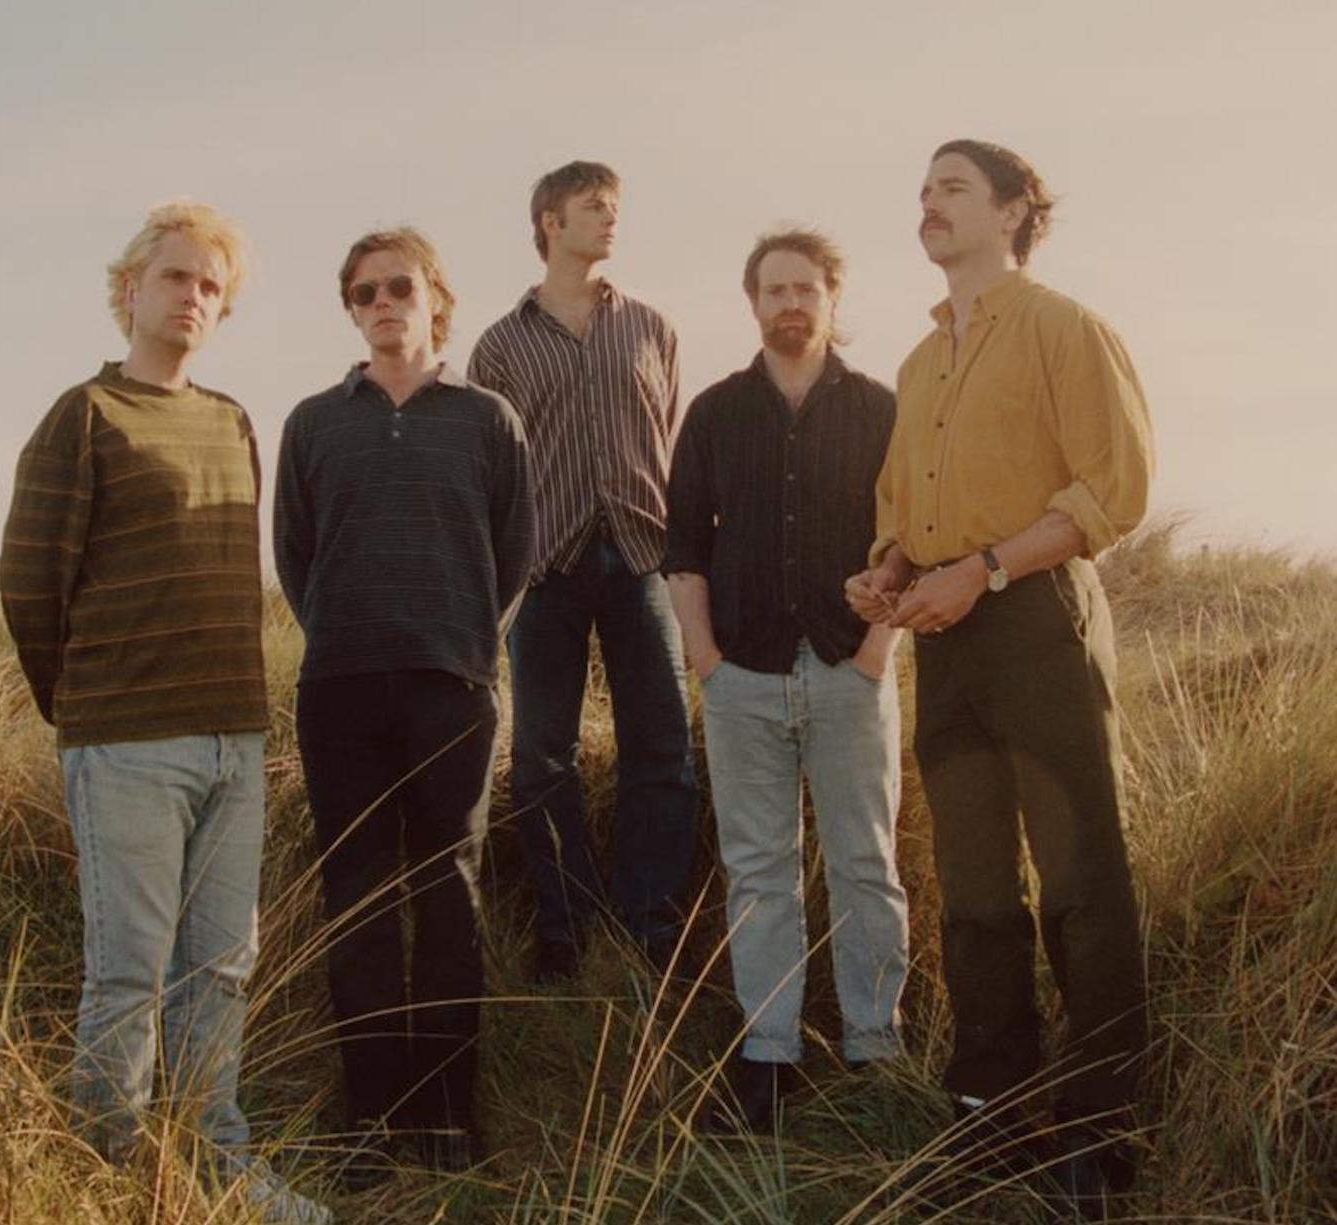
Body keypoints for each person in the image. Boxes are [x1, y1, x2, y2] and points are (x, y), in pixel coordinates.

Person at [0, 201, 330, 1223]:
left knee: (221, 968)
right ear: (130, 289)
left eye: (211, 286)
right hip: (126, 741)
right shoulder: (85, 416)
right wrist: (86, 706)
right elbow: (28, 581)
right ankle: (110, 1177)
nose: (193, 296)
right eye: (176, 276)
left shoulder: (232, 421)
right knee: (128, 975)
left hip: (235, 738)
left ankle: (215, 1161)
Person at [846, 139, 1154, 1211]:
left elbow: (1112, 491)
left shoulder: (1066, 327)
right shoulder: (917, 363)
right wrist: (889, 571)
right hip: (946, 632)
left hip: (1035, 621)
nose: (927, 204)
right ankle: (989, 1116)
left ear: (1017, 208)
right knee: (975, 889)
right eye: (923, 190)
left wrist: (981, 569)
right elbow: (902, 506)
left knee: (1081, 878)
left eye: (953, 188)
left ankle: (1103, 1133)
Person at [274, 227, 534, 1177]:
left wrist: (458, 642)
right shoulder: (313, 422)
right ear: (351, 309)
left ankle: (446, 1116)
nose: (383, 303)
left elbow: (515, 554)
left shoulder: (489, 419)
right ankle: (371, 1122)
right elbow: (295, 557)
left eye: (400, 287)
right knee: (358, 898)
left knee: (448, 891)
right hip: (339, 688)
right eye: (364, 292)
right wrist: (349, 633)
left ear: (435, 300)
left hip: (451, 688)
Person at [664, 228, 907, 1133]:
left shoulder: (881, 409)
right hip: (744, 677)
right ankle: (768, 1056)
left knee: (865, 863)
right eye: (776, 289)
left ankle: (875, 1048)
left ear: (833, 299)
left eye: (807, 288)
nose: (791, 303)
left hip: (851, 670)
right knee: (759, 871)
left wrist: (876, 654)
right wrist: (708, 663)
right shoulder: (715, 413)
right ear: (753, 303)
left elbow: (910, 539)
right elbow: (683, 546)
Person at [468, 160, 699, 983]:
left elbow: (665, 432)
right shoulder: (500, 344)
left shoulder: (652, 328)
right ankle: (564, 927)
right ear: (550, 222)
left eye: (615, 207)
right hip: (544, 570)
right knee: (541, 756)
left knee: (662, 747)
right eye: (595, 207)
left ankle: (648, 927)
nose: (611, 219)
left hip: (642, 559)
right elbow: (489, 468)